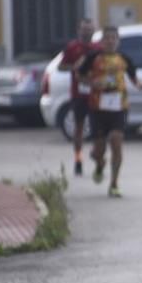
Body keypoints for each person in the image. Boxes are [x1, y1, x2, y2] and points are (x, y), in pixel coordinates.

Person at [77, 26, 142, 198]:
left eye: (114, 38)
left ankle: (114, 183)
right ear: (101, 41)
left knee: (116, 142)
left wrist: (139, 85)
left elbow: (134, 77)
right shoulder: (93, 58)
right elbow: (80, 76)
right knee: (97, 151)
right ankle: (99, 163)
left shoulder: (124, 59)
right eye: (107, 38)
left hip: (119, 107)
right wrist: (92, 83)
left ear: (118, 41)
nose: (110, 41)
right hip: (97, 108)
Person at [58, 18, 100, 176]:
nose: (87, 32)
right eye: (84, 29)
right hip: (78, 94)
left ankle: (97, 156)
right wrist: (73, 67)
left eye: (90, 29)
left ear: (94, 30)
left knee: (98, 129)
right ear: (78, 30)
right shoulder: (72, 48)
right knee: (79, 128)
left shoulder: (98, 48)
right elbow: (61, 67)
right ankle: (78, 159)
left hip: (95, 93)